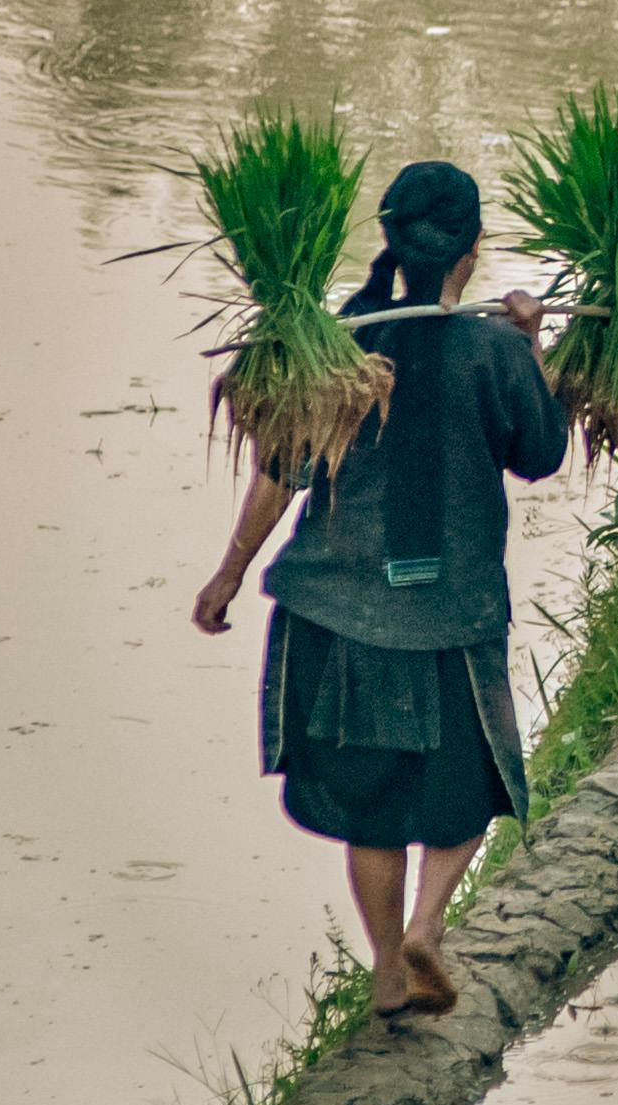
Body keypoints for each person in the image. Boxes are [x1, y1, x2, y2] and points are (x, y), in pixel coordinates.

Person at [190, 159, 570, 1015]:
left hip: (342, 611)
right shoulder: (495, 348)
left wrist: (228, 572)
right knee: (467, 786)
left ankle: (388, 975)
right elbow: (540, 455)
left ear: (388, 239)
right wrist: (532, 341)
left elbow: (281, 471)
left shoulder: (333, 348)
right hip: (454, 616)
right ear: (472, 248)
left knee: (373, 805)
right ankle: (427, 927)